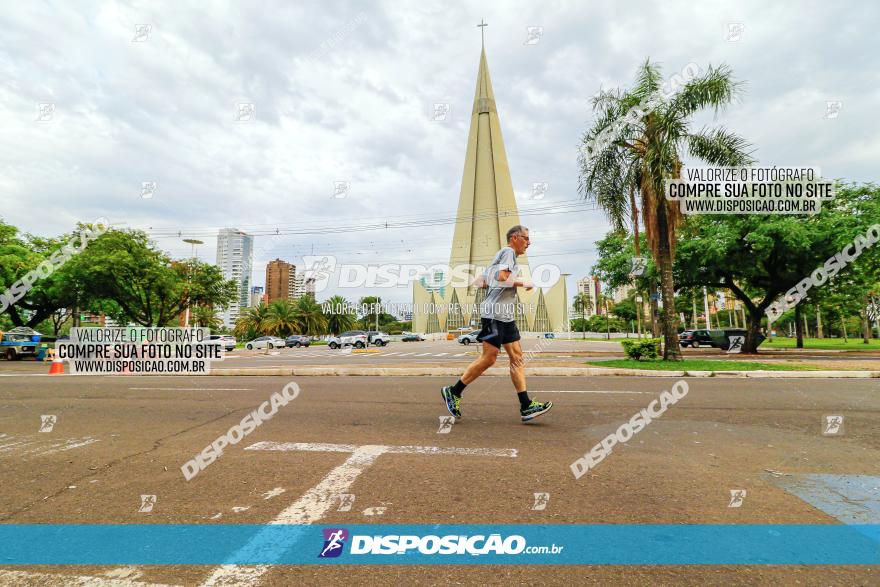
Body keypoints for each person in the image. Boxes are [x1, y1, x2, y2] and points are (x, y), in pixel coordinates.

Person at [441, 225, 553, 423]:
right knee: (490, 358)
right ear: (515, 238)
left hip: (505, 316)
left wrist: (501, 281)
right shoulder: (508, 252)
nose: (529, 242)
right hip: (494, 314)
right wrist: (523, 283)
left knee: (517, 358)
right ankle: (453, 391)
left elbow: (480, 282)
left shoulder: (501, 257)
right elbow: (502, 278)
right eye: (526, 238)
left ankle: (526, 405)